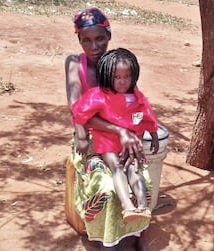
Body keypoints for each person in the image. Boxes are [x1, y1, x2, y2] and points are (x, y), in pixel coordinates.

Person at [64, 7, 151, 251]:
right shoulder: (74, 63)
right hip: (88, 138)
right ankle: (105, 239)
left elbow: (134, 103)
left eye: (100, 38)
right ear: (79, 40)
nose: (94, 46)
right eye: (87, 40)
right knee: (104, 185)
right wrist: (120, 131)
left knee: (140, 173)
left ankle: (139, 231)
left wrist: (135, 133)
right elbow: (77, 111)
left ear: (109, 35)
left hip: (121, 135)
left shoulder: (118, 63)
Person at [71, 47, 159, 223]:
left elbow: (144, 115)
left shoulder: (136, 97)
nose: (122, 82)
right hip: (107, 142)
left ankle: (142, 207)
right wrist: (81, 137)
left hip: (130, 144)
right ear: (107, 76)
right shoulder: (99, 95)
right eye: (117, 77)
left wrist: (153, 133)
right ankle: (127, 206)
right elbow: (80, 113)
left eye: (126, 77)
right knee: (117, 167)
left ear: (133, 76)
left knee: (134, 169)